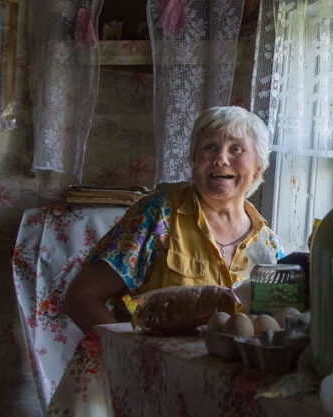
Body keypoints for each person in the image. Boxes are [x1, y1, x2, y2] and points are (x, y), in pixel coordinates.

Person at [64, 106, 285, 333]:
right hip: (155, 366)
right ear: (194, 161)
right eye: (210, 147)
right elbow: (81, 297)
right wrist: (130, 354)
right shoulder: (157, 216)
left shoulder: (268, 244)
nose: (221, 159)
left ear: (258, 169)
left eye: (236, 150)